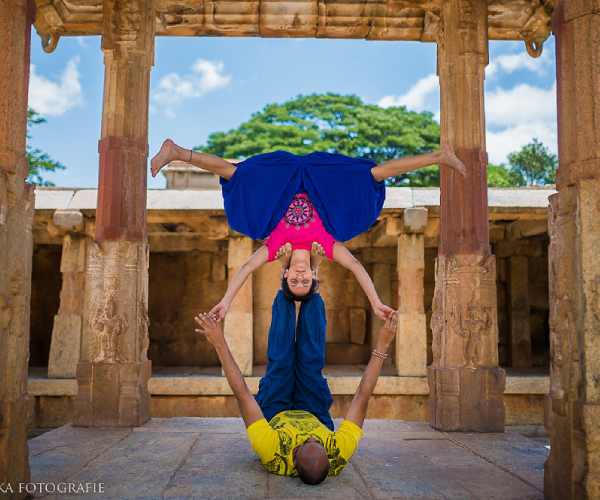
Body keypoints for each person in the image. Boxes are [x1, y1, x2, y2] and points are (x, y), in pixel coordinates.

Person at [151, 141, 466, 318]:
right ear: (315, 276)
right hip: (320, 180)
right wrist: (375, 302)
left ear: (285, 275)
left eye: (295, 281)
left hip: (282, 180)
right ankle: (438, 157)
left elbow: (246, 268)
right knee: (372, 176)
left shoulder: (276, 248)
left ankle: (178, 152)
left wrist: (226, 301)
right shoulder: (325, 246)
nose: (300, 277)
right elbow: (356, 267)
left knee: (237, 176)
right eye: (307, 282)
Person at [194, 297, 399, 485]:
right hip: (314, 412)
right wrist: (383, 343)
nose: (308, 436)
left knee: (281, 361)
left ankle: (286, 287)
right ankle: (311, 290)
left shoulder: (271, 449)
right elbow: (362, 396)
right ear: (329, 457)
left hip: (276, 413)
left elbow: (242, 394)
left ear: (293, 457)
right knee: (310, 361)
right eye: (316, 441)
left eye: (304, 442)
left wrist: (219, 342)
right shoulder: (338, 450)